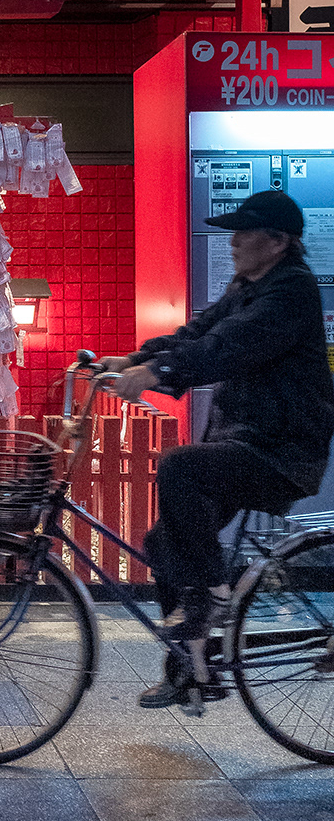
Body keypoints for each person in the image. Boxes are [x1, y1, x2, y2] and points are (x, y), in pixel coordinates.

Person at [102, 190, 334, 708]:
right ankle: (194, 669)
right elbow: (200, 333)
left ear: (276, 242)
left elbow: (229, 347)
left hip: (283, 452)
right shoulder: (248, 285)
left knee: (180, 465)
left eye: (242, 231)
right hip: (244, 442)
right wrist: (135, 360)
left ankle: (213, 595)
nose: (231, 242)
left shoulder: (290, 291)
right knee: (164, 541)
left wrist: (156, 373)